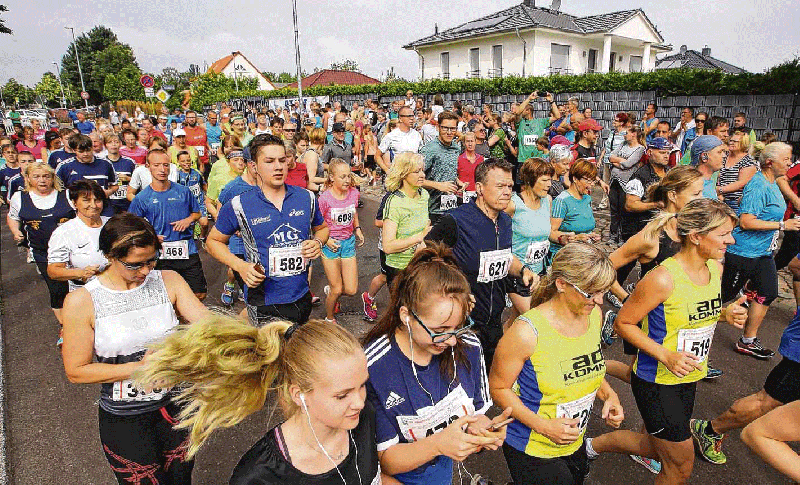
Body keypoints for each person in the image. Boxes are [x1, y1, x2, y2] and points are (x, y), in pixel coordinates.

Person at [587, 199, 748, 485]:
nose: (732, 240)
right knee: (679, 467)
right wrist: (666, 356)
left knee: (656, 447)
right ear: (696, 236)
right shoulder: (662, 278)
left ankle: (590, 447)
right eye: (723, 234)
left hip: (688, 377)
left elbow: (694, 314)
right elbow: (623, 323)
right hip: (658, 382)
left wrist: (725, 314)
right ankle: (590, 447)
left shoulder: (715, 268)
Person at [136, 315, 380, 485]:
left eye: (362, 386)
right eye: (342, 395)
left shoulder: (363, 418)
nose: (359, 402)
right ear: (298, 394)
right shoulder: (259, 476)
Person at [61, 213, 209, 485]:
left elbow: (208, 327)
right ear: (110, 256)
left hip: (176, 407)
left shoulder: (169, 280)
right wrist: (140, 369)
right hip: (125, 419)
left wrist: (243, 333)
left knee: (180, 480)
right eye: (134, 265)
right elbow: (76, 371)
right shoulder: (82, 301)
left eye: (151, 260)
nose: (145, 271)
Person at [363, 244, 509, 485]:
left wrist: (483, 430)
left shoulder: (469, 345)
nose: (451, 341)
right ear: (406, 315)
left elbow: (476, 415)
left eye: (458, 327)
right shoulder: (373, 368)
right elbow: (383, 461)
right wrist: (438, 444)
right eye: (440, 330)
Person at [490, 243, 624, 485]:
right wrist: (543, 426)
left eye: (603, 292)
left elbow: (587, 365)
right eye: (590, 292)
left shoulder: (593, 315)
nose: (599, 300)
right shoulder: (526, 333)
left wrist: (609, 395)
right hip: (532, 446)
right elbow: (498, 389)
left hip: (573, 440)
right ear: (561, 284)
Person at [426, 158, 539, 369]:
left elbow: (505, 256)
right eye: (500, 186)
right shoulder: (455, 220)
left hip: (494, 319)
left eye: (510, 186)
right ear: (479, 188)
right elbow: (423, 261)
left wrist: (523, 270)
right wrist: (452, 293)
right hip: (461, 323)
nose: (507, 192)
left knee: (486, 376)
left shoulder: (505, 221)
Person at [207, 134, 329, 325]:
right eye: (269, 161)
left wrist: (318, 242)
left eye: (282, 160)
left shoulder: (307, 198)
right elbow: (213, 241)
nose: (278, 166)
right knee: (269, 345)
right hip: (263, 300)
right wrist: (240, 266)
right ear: (254, 166)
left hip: (301, 295)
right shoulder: (239, 204)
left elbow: (322, 229)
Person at [722, 142, 797, 359]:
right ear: (770, 162)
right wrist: (783, 225)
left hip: (763, 253)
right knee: (723, 296)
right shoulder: (758, 185)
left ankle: (747, 341)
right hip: (743, 252)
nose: (790, 163)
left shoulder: (772, 181)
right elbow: (746, 222)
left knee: (768, 292)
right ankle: (685, 321)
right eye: (786, 159)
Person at [129, 149, 207, 300]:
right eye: (157, 165)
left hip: (187, 249)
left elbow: (197, 213)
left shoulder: (183, 191)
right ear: (148, 167)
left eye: (166, 165)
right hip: (160, 253)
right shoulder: (141, 198)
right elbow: (132, 225)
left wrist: (188, 220)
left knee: (199, 294)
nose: (162, 169)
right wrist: (150, 237)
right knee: (164, 296)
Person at [6, 162, 74, 324]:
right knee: (57, 289)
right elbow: (13, 217)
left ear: (52, 178)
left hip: (72, 251)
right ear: (28, 178)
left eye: (46, 176)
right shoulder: (19, 198)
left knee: (76, 287)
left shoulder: (67, 195)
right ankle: (65, 326)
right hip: (42, 253)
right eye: (36, 177)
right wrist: (16, 231)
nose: (42, 180)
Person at [46, 179, 109, 327]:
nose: (93, 205)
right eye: (86, 200)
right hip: (85, 296)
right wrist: (81, 272)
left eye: (97, 200)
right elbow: (53, 271)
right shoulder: (64, 232)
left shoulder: (113, 224)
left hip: (115, 291)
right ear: (75, 203)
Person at [504, 158, 554, 323]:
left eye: (550, 180)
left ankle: (503, 339)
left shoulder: (547, 200)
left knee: (516, 319)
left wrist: (564, 237)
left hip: (539, 272)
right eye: (544, 180)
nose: (549, 185)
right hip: (518, 273)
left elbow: (546, 232)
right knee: (536, 321)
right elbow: (497, 238)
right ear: (530, 180)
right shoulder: (512, 204)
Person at [616, 137, 672, 282]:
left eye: (668, 153)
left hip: (658, 229)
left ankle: (643, 288)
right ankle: (612, 288)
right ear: (650, 152)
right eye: (662, 152)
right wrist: (656, 205)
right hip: (637, 228)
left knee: (652, 266)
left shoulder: (670, 173)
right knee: (626, 264)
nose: (666, 156)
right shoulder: (640, 176)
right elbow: (630, 205)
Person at [319, 159, 364, 323]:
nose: (347, 180)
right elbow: (315, 223)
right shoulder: (324, 199)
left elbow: (354, 212)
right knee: (337, 289)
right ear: (332, 177)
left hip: (348, 242)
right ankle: (329, 318)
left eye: (349, 176)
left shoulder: (354, 193)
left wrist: (357, 228)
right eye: (343, 177)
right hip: (331, 244)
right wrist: (326, 240)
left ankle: (330, 291)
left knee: (351, 290)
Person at [381, 152, 430, 286]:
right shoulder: (394, 202)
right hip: (399, 269)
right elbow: (388, 246)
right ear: (403, 174)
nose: (422, 175)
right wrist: (419, 237)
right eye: (417, 171)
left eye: (422, 170)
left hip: (420, 264)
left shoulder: (424, 195)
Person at [56, 134, 118, 216]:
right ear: (74, 150)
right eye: (81, 151)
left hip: (103, 209)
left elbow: (115, 185)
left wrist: (108, 192)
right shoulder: (64, 166)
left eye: (88, 150)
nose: (85, 154)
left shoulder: (105, 163)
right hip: (76, 211)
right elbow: (56, 189)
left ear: (92, 148)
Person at [550, 160, 601, 257]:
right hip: (566, 254)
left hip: (584, 252)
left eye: (593, 181)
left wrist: (591, 236)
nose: (592, 184)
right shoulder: (562, 201)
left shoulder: (587, 198)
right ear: (575, 179)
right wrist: (575, 238)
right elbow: (551, 233)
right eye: (588, 180)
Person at [420, 111, 463, 224]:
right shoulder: (430, 149)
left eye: (452, 129)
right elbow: (412, 178)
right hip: (432, 210)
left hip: (451, 208)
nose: (449, 132)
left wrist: (457, 181)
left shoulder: (456, 148)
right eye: (445, 128)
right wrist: (438, 185)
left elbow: (446, 170)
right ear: (438, 127)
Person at [608, 126, 646, 243]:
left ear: (634, 134)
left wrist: (617, 162)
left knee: (623, 210)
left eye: (627, 133)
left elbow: (628, 164)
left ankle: (623, 236)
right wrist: (621, 161)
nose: (624, 135)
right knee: (614, 209)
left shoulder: (640, 149)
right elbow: (610, 157)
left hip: (626, 183)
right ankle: (613, 235)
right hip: (614, 181)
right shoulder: (622, 144)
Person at [716, 130, 758, 213]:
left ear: (743, 143)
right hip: (719, 199)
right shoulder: (724, 156)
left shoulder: (748, 161)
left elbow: (741, 183)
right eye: (731, 140)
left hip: (735, 202)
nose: (731, 143)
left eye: (735, 141)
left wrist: (720, 190)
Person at [376, 105, 423, 173]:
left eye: (413, 116)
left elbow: (422, 154)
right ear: (400, 119)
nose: (412, 119)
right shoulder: (391, 135)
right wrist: (386, 170)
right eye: (409, 116)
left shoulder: (417, 135)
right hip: (399, 174)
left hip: (414, 174)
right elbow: (377, 155)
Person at [175, 150, 209, 238]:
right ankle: (193, 240)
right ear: (178, 162)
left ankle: (202, 238)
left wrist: (208, 197)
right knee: (190, 227)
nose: (186, 163)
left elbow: (204, 185)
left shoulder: (197, 173)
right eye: (183, 161)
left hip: (199, 203)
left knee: (205, 224)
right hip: (186, 205)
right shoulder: (176, 175)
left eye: (188, 160)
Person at [102, 133, 136, 213]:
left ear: (120, 144)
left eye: (116, 142)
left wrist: (128, 178)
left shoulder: (129, 162)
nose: (113, 144)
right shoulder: (101, 163)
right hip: (109, 203)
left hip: (126, 203)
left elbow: (138, 181)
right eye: (110, 142)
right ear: (105, 145)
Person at [690, 135, 726, 200]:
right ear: (704, 156)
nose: (724, 155)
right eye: (719, 152)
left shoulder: (708, 181)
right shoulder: (695, 186)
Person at [457, 132, 484, 204]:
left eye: (472, 141)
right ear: (464, 143)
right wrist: (460, 184)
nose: (470, 144)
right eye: (467, 141)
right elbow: (453, 175)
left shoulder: (481, 159)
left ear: (475, 142)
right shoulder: (459, 159)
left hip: (477, 194)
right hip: (462, 194)